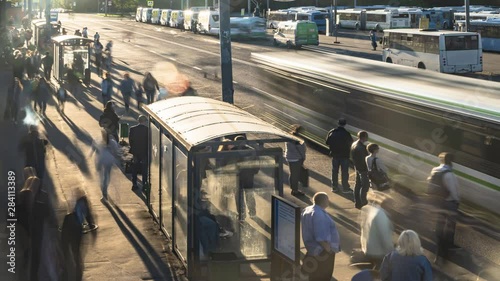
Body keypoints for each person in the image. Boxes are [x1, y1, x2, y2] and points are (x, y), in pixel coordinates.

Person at [428, 152, 460, 263]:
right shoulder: (449, 174)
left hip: (438, 201)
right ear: (451, 162)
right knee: (450, 224)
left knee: (439, 223)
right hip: (449, 202)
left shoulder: (435, 170)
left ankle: (439, 241)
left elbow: (430, 183)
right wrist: (457, 200)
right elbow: (453, 191)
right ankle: (448, 245)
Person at [301, 192, 341, 281]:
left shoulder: (307, 210)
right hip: (322, 252)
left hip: (312, 249)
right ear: (323, 201)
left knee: (313, 275)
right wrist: (329, 250)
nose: (328, 202)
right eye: (327, 200)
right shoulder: (319, 215)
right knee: (323, 276)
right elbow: (321, 237)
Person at [359, 191, 394, 269]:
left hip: (369, 249)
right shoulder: (381, 216)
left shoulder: (372, 211)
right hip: (378, 252)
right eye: (391, 205)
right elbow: (384, 236)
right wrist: (391, 251)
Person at [233, 135, 259, 220]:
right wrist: (254, 171)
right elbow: (256, 163)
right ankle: (252, 212)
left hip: (237, 176)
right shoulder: (251, 150)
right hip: (249, 175)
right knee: (249, 194)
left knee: (238, 196)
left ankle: (241, 214)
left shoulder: (234, 151)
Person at [90, 130, 120, 201]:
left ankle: (103, 190)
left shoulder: (98, 140)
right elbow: (116, 152)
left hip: (100, 160)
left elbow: (93, 149)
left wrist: (90, 155)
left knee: (101, 176)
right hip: (109, 161)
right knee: (107, 176)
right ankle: (105, 189)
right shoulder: (112, 142)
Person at [326, 118, 353, 193]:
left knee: (335, 171)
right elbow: (351, 143)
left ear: (338, 123)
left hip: (335, 155)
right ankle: (345, 188)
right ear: (345, 124)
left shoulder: (332, 132)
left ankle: (334, 187)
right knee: (344, 172)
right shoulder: (347, 134)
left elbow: (327, 142)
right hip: (344, 156)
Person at [285, 125, 306, 196]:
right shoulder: (298, 140)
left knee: (292, 174)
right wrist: (303, 157)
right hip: (296, 158)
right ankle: (295, 191)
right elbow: (302, 150)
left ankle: (293, 189)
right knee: (295, 175)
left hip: (289, 157)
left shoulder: (289, 137)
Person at [129, 115, 149, 190]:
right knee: (144, 169)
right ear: (144, 121)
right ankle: (144, 184)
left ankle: (134, 184)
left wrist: (133, 149)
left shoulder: (132, 129)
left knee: (134, 169)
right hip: (144, 152)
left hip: (135, 152)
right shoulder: (147, 130)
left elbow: (130, 141)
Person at [351, 131, 370, 209]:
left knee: (357, 185)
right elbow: (363, 160)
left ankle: (357, 202)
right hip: (362, 169)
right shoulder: (361, 147)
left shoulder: (354, 144)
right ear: (364, 137)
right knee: (365, 186)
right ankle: (363, 202)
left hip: (357, 167)